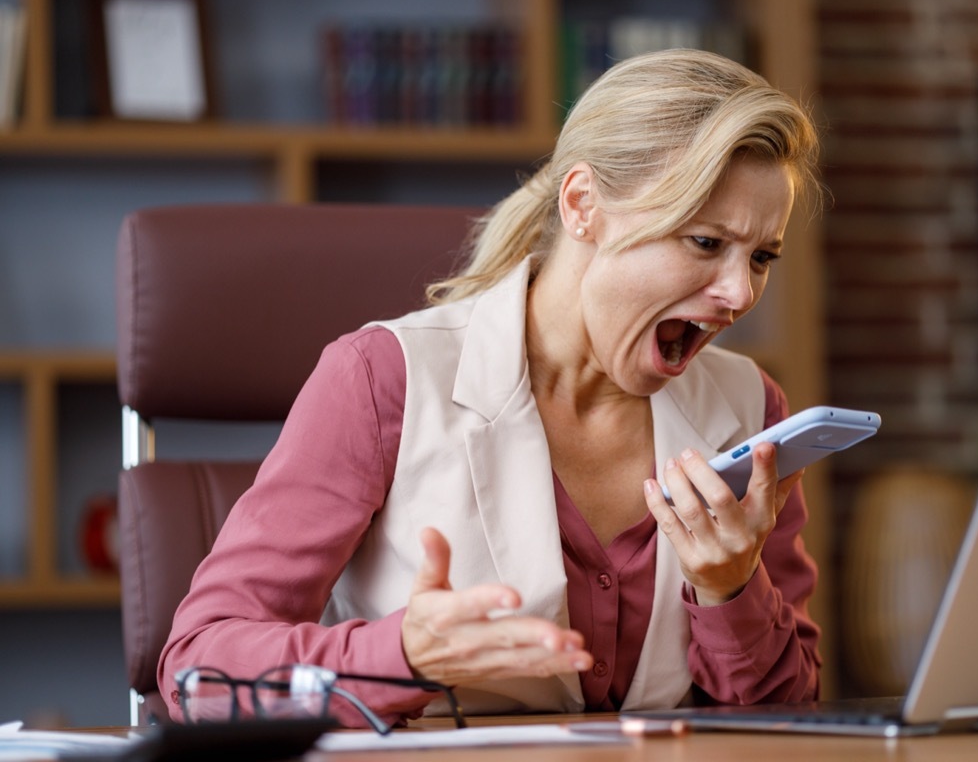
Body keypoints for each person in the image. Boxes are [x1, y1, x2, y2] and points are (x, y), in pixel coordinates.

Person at [159, 48, 824, 726]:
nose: (740, 294)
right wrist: (404, 656)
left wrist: (730, 590)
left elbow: (790, 717)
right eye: (707, 243)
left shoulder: (751, 410)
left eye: (762, 256)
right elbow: (197, 671)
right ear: (582, 204)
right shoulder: (380, 378)